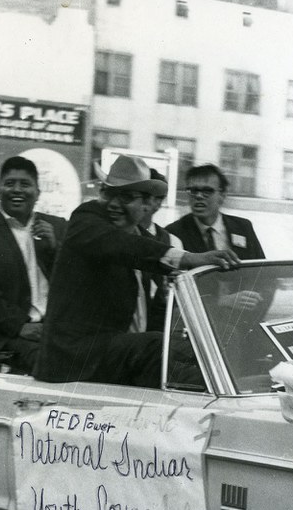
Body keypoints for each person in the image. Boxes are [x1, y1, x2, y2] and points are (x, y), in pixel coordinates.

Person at [32, 154, 240, 388]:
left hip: (107, 358)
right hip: (69, 362)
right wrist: (190, 258)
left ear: (148, 205)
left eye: (126, 197)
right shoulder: (87, 218)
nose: (113, 204)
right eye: (108, 193)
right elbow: (124, 247)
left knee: (196, 348)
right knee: (156, 347)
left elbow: (158, 300)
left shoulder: (144, 239)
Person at [0, 156, 67, 373]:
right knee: (52, 364)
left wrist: (55, 248)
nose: (17, 190)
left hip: (56, 332)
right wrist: (20, 326)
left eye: (25, 184)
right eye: (10, 184)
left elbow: (76, 283)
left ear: (38, 192)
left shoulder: (58, 227)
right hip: (6, 336)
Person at [167, 163, 266, 312]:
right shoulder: (173, 233)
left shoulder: (243, 227)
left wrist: (252, 314)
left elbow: (264, 277)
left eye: (207, 191)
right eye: (193, 191)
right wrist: (221, 302)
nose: (199, 196)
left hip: (244, 319)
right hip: (200, 325)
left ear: (222, 195)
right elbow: (173, 293)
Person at [139, 168, 183, 331]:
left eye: (144, 196)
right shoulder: (116, 236)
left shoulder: (172, 242)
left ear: (158, 202)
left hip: (156, 329)